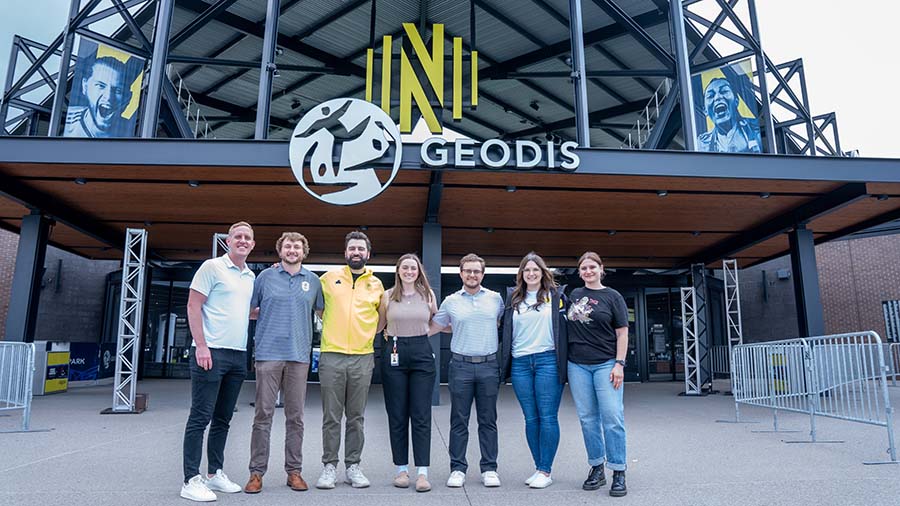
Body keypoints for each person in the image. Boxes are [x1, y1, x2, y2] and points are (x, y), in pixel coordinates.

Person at [180, 222, 256, 502]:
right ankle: (190, 480)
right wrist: (200, 345)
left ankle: (214, 473)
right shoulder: (211, 267)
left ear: (253, 245)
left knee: (223, 418)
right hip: (210, 351)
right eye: (238, 236)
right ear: (228, 241)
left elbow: (243, 313)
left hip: (237, 354)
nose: (243, 241)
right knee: (200, 417)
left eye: (248, 238)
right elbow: (193, 305)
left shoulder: (250, 276)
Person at [244, 232, 323, 494]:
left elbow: (322, 313)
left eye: (297, 246)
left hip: (299, 356)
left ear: (304, 251)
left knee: (296, 417)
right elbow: (251, 310)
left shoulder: (313, 281)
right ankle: (256, 473)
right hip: (268, 354)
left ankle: (294, 472)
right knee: (263, 415)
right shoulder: (265, 277)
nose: (292, 250)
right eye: (287, 246)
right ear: (280, 251)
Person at [315, 231, 384, 489]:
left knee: (356, 417)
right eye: (352, 248)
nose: (356, 252)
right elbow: (318, 309)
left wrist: (365, 334)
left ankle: (353, 465)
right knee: (331, 416)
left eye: (361, 249)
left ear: (368, 253)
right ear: (346, 253)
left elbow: (382, 318)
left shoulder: (376, 285)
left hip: (363, 357)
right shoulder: (328, 279)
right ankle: (329, 466)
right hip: (332, 355)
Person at [431, 253, 504, 488]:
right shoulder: (451, 301)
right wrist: (401, 331)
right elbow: (436, 325)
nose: (472, 275)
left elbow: (500, 322)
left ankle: (489, 468)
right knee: (459, 420)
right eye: (468, 271)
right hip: (460, 366)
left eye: (477, 271)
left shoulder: (495, 299)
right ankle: (457, 468)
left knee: (488, 420)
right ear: (461, 273)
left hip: (489, 366)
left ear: (482, 274)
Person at [498, 252, 567, 489]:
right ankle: (539, 467)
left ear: (543, 272)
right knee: (531, 418)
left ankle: (545, 470)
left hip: (548, 360)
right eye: (526, 270)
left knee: (547, 416)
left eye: (535, 269)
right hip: (520, 363)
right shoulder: (512, 298)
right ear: (521, 274)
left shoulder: (556, 296)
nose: (531, 273)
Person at [566, 252, 630, 497]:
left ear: (601, 269)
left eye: (592, 267)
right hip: (577, 365)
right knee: (587, 419)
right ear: (580, 272)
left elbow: (622, 334)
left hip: (606, 365)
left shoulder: (613, 297)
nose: (588, 271)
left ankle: (618, 471)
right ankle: (596, 467)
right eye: (583, 268)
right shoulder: (574, 295)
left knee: (612, 417)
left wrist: (619, 364)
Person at [376, 254, 438, 493]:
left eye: (413, 268)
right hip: (394, 351)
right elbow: (380, 325)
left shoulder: (428, 295)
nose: (409, 271)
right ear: (398, 271)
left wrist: (421, 337)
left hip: (422, 351)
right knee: (397, 414)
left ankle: (422, 472)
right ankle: (401, 469)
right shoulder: (387, 296)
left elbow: (437, 321)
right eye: (405, 268)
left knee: (421, 414)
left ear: (418, 271)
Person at [64, 56, 131, 138]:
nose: (109, 97)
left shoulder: (133, 131)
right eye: (100, 86)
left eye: (118, 91)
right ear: (85, 86)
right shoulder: (66, 122)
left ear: (128, 98)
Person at [696, 77, 762, 153]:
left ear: (736, 101)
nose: (717, 97)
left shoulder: (755, 130)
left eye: (724, 91)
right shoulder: (702, 144)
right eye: (710, 96)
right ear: (705, 110)